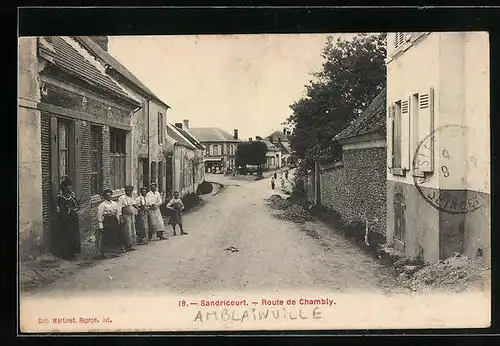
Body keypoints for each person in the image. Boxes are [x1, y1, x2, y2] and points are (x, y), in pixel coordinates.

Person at [54, 177, 81, 260]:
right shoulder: (61, 198)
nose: (69, 189)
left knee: (74, 237)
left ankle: (72, 252)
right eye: (68, 188)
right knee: (67, 237)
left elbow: (76, 204)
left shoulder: (72, 196)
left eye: (70, 187)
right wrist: (68, 210)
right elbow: (62, 209)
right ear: (64, 189)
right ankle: (66, 254)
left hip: (73, 220)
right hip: (66, 220)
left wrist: (76, 208)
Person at [96, 189, 120, 259]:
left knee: (114, 236)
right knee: (106, 237)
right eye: (107, 196)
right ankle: (105, 253)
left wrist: (118, 220)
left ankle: (113, 252)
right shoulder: (102, 205)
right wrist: (101, 226)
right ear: (104, 197)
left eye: (110, 195)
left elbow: (117, 213)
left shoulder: (114, 203)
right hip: (107, 221)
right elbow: (99, 216)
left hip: (113, 220)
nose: (109, 197)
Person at [117, 185, 137, 252]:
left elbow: (133, 205)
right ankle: (126, 245)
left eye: (130, 191)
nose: (129, 192)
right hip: (125, 215)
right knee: (127, 230)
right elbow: (119, 208)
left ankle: (131, 244)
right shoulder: (121, 198)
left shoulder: (131, 197)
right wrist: (120, 217)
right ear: (125, 191)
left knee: (132, 230)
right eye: (128, 191)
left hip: (131, 215)